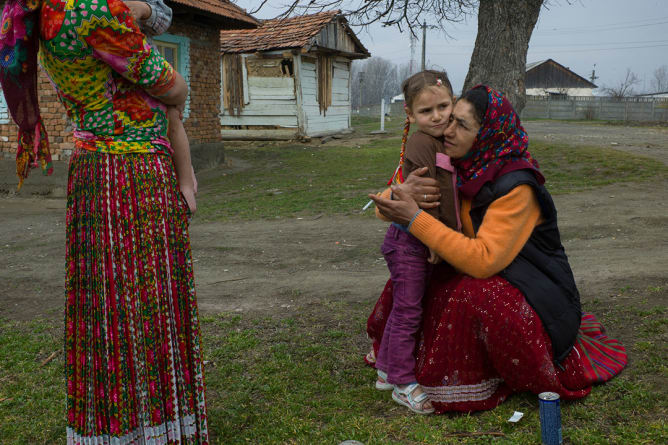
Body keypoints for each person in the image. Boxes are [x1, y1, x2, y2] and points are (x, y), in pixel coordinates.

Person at [0, 0, 207, 442]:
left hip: (94, 170)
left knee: (106, 304)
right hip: (132, 174)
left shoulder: (48, 11)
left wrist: (145, 12)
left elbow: (157, 16)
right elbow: (173, 86)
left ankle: (111, 427)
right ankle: (155, 429)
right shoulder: (90, 11)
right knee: (147, 301)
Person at [367, 85, 627, 413]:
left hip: (533, 287)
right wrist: (400, 193)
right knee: (413, 275)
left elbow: (483, 260)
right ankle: (401, 363)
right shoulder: (457, 165)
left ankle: (473, 372)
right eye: (450, 119)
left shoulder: (517, 186)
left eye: (461, 124)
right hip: (485, 270)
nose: (447, 129)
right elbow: (385, 209)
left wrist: (416, 218)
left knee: (475, 296)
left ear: (487, 133)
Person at [371, 70, 458, 415]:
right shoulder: (422, 143)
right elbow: (427, 199)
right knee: (408, 311)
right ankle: (403, 383)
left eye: (443, 106)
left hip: (413, 238)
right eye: (426, 111)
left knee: (403, 308)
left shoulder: (444, 140)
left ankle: (385, 369)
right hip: (411, 241)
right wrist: (434, 238)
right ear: (410, 115)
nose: (437, 116)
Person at [124, 0, 198, 213]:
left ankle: (185, 179)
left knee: (172, 116)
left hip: (146, 63)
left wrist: (145, 11)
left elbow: (164, 18)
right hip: (119, 66)